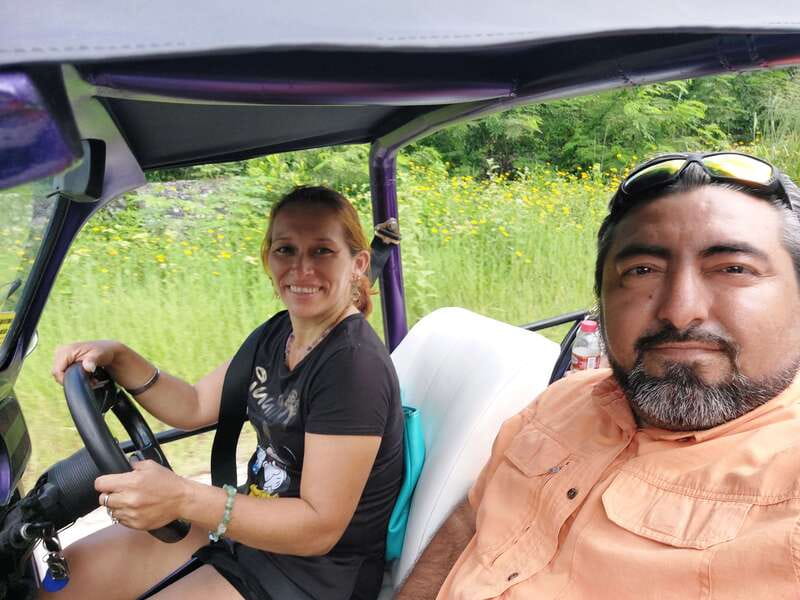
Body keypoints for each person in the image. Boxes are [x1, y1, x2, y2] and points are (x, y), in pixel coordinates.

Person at [397, 152, 800, 599]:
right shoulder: (560, 401)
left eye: (733, 269)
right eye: (642, 271)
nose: (679, 310)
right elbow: (469, 520)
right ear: (601, 302)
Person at [46, 186, 404, 600]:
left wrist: (182, 496)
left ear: (358, 263)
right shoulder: (278, 334)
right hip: (246, 536)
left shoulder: (352, 367)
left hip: (311, 578)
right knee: (71, 578)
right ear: (268, 258)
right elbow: (193, 404)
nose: (301, 268)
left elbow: (317, 528)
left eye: (322, 251)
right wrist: (120, 357)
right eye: (286, 249)